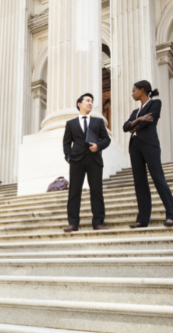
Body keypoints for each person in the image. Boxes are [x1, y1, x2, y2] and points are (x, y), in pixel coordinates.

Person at [123, 80, 173, 228]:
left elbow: (149, 122)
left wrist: (134, 125)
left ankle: (172, 215)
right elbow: (125, 127)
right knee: (139, 182)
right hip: (134, 146)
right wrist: (140, 119)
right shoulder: (136, 112)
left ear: (142, 90)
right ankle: (142, 219)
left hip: (149, 144)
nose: (132, 93)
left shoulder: (156, 103)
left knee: (158, 177)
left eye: (134, 90)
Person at [63, 93, 111, 232]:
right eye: (87, 101)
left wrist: (98, 146)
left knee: (96, 191)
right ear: (80, 104)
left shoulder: (98, 122)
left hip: (94, 160)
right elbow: (66, 142)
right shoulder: (70, 123)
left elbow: (106, 140)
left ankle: (98, 223)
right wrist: (68, 157)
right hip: (76, 160)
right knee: (74, 192)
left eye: (92, 101)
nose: (90, 103)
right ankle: (73, 223)